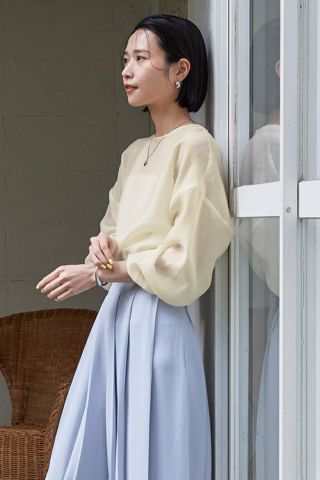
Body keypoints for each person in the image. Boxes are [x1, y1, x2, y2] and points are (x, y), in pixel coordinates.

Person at [36, 13, 235, 480]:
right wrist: (103, 249)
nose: (127, 70)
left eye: (141, 58)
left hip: (160, 321)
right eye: (125, 59)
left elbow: (187, 256)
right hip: (117, 319)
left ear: (180, 70)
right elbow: (112, 232)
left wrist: (99, 272)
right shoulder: (134, 153)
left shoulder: (195, 146)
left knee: (157, 452)